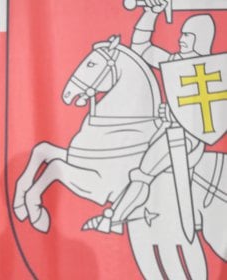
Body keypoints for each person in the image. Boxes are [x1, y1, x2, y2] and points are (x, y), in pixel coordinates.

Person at [85, 0, 215, 234]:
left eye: (187, 35)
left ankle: (113, 220)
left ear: (200, 38)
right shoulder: (174, 61)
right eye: (182, 34)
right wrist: (150, 13)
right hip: (170, 130)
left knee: (143, 174)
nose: (181, 39)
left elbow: (205, 114)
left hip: (185, 138)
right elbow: (141, 48)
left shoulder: (210, 70)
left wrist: (174, 115)